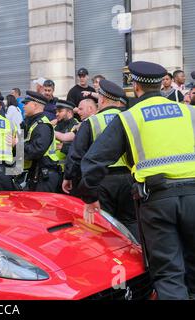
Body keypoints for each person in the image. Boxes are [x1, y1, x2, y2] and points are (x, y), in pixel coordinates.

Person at [77, 61, 195, 300]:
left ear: (135, 87)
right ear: (163, 85)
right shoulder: (189, 112)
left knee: (169, 273)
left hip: (157, 202)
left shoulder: (129, 118)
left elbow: (94, 161)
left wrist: (90, 196)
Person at [62, 80, 138, 238]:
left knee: (103, 225)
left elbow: (76, 154)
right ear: (118, 101)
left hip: (102, 180)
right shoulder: (130, 118)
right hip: (129, 179)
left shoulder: (91, 122)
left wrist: (69, 176)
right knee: (131, 222)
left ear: (101, 100)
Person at [22, 91, 61, 193]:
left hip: (45, 175)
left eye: (26, 104)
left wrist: (17, 144)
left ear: (35, 105)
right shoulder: (30, 123)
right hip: (36, 173)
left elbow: (37, 150)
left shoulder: (42, 125)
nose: (23, 107)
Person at [54, 100, 79, 169]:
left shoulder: (76, 126)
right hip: (52, 169)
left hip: (65, 170)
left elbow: (77, 150)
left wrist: (63, 147)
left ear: (69, 112)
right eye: (56, 112)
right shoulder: (56, 126)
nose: (56, 114)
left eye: (60, 111)